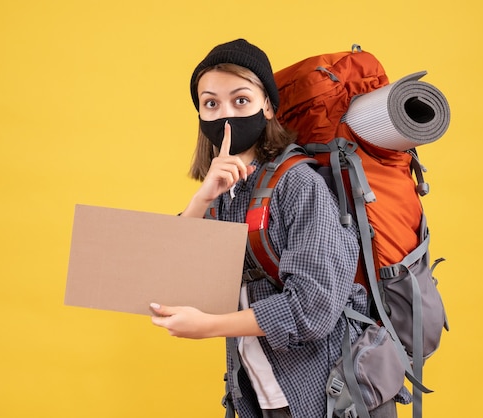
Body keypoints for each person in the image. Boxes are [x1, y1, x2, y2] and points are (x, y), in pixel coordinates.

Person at [150, 39, 395, 418]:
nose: (226, 114)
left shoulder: (299, 185)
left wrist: (210, 326)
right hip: (258, 398)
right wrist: (202, 197)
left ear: (267, 105)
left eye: (241, 99)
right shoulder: (224, 193)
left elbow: (312, 308)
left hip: (326, 398)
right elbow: (168, 276)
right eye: (211, 103)